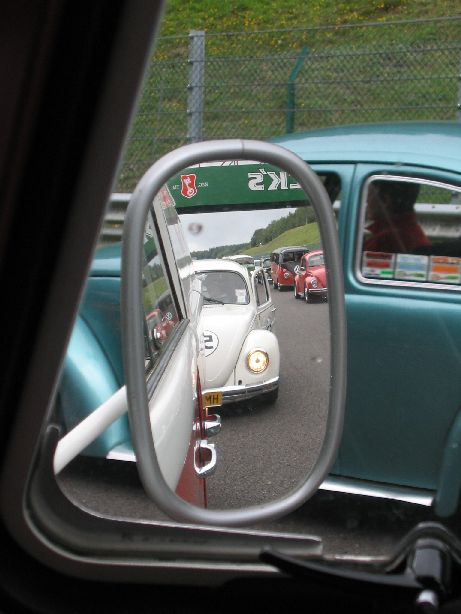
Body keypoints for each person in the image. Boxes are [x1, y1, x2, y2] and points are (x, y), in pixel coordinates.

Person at [363, 180, 431, 253]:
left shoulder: (386, 241)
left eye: (369, 195)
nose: (366, 201)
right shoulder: (411, 232)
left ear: (385, 200)